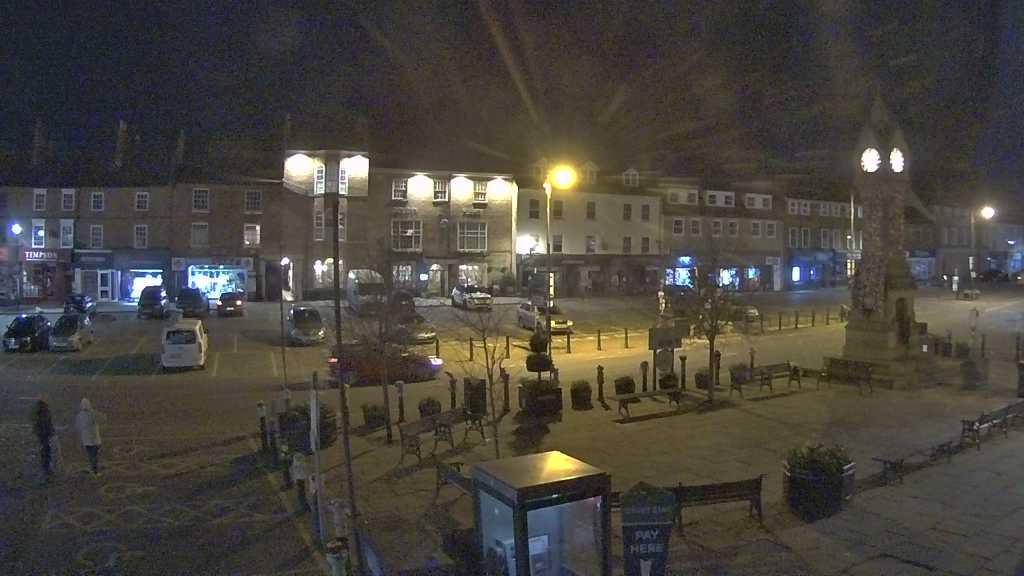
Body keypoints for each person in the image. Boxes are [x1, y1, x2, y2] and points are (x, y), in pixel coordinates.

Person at [75, 398, 103, 475]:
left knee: (91, 455)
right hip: (94, 439)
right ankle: (95, 471)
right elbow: (102, 418)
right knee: (94, 456)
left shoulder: (79, 415)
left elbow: (77, 427)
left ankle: (93, 468)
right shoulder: (92, 413)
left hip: (86, 440)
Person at [32, 399, 55, 477]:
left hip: (42, 435)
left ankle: (46, 467)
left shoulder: (37, 414)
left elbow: (36, 425)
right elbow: (49, 423)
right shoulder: (46, 413)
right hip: (45, 434)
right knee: (46, 450)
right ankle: (47, 468)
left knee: (45, 450)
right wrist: (51, 431)